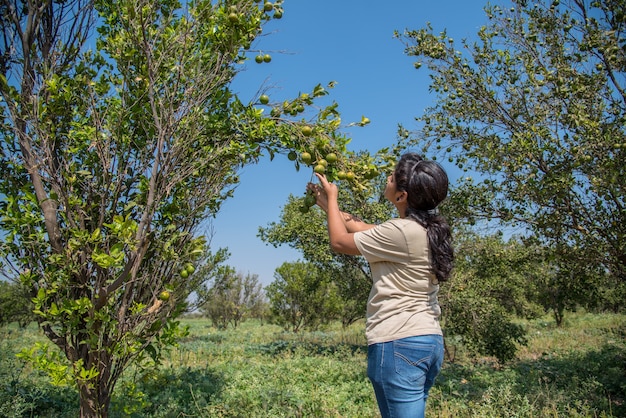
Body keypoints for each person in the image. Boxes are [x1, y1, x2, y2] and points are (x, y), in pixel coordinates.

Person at [307, 152, 453, 418]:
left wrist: (334, 196)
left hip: (398, 340)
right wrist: (326, 203)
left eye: (393, 177)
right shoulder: (419, 230)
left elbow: (339, 242)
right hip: (427, 340)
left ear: (401, 196)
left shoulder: (400, 232)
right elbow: (359, 226)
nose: (388, 178)